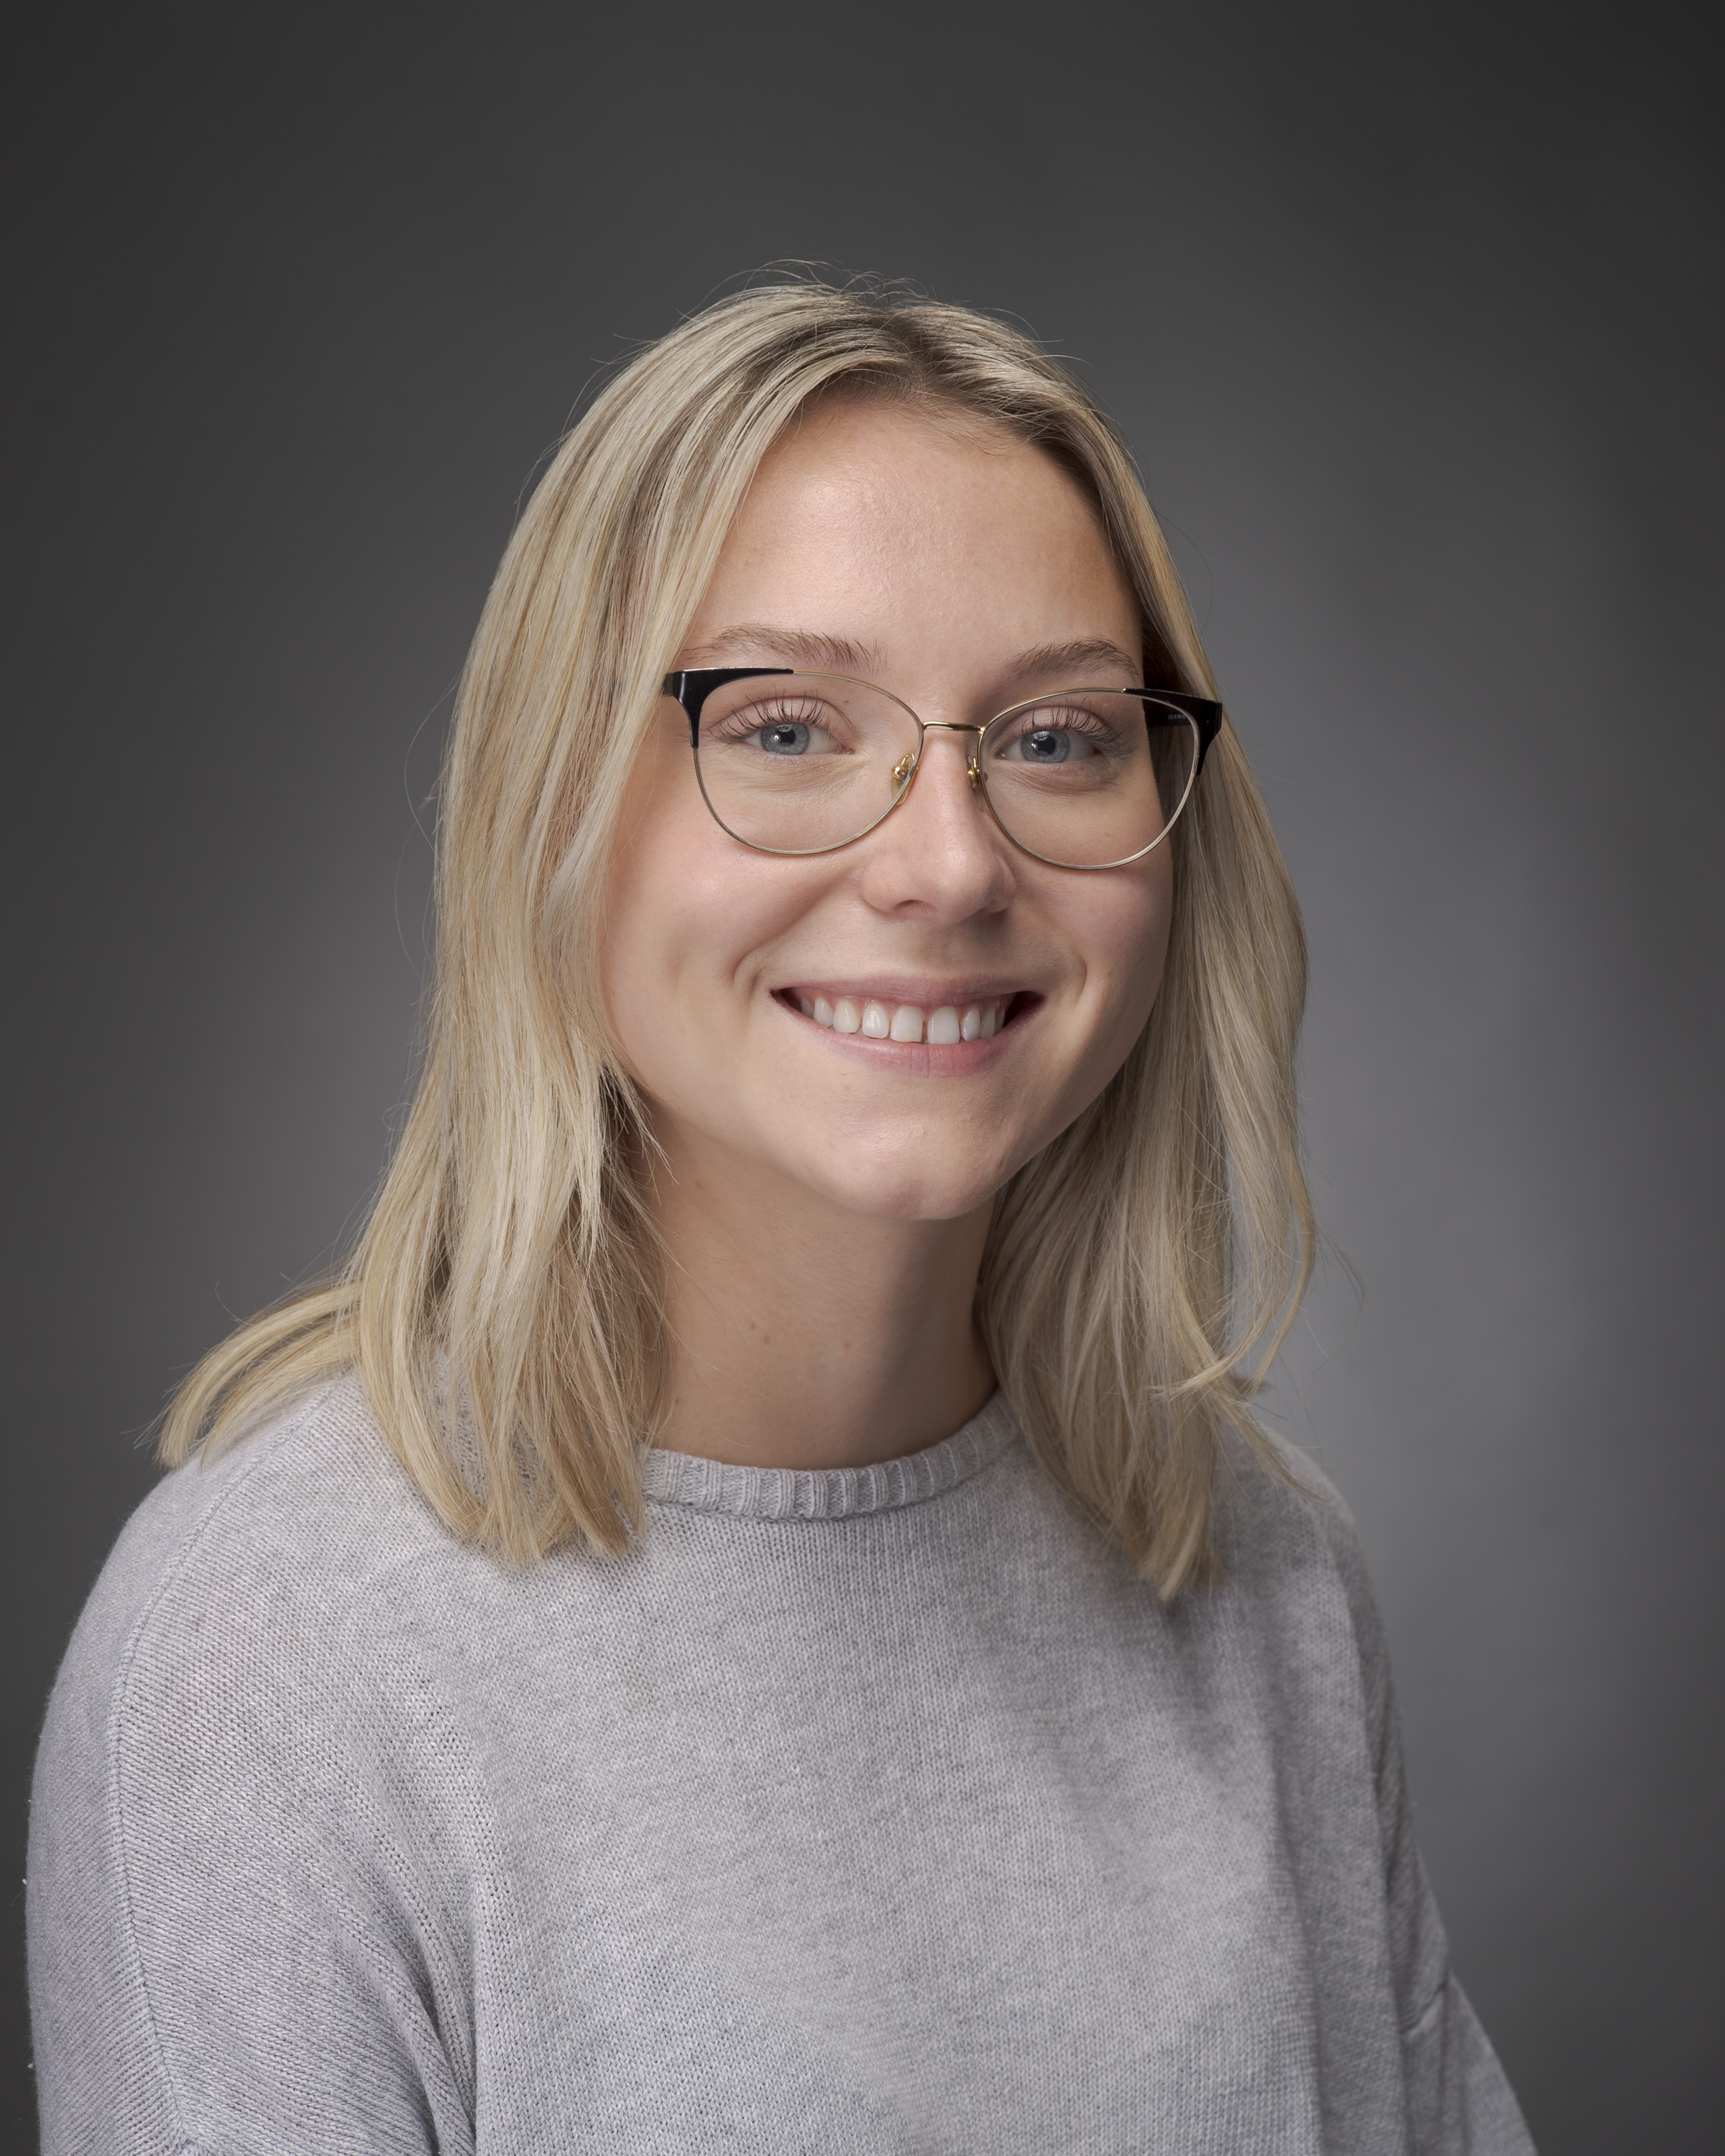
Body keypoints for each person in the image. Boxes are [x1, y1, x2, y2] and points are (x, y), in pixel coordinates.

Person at [27, 280, 1536, 2153]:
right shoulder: (269, 1657)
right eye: (788, 725)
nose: (950, 861)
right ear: (556, 805)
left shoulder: (1263, 1584)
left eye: (1059, 737)